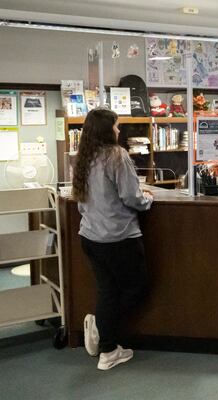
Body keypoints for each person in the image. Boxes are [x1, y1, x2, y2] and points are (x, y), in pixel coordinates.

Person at [72, 108, 153, 370]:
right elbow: (131, 197)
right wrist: (147, 200)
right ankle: (100, 327)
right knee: (137, 287)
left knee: (108, 290)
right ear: (107, 130)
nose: (119, 131)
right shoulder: (116, 155)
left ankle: (107, 348)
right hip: (118, 236)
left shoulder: (83, 157)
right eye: (117, 127)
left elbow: (81, 201)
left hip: (90, 236)